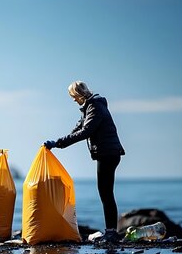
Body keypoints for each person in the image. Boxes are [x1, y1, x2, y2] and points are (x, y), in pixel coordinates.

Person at [44, 81, 125, 243]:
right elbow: (78, 128)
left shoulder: (94, 106)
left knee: (106, 192)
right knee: (105, 192)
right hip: (108, 152)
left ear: (79, 94)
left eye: (73, 96)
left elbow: (86, 131)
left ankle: (111, 233)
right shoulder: (89, 107)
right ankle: (110, 231)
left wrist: (59, 143)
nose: (73, 100)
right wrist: (58, 143)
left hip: (108, 153)